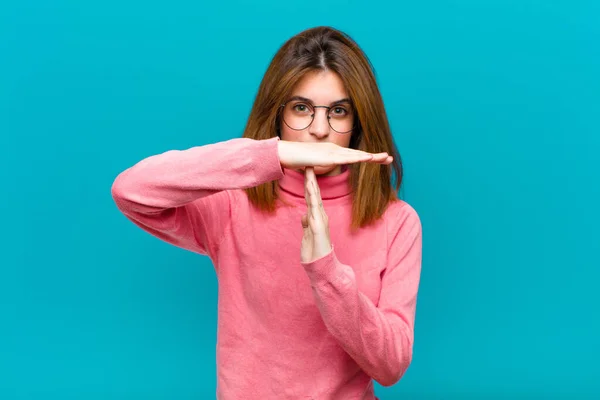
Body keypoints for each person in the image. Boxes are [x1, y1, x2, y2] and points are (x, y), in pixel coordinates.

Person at [111, 26, 422, 400]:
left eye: (338, 111)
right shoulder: (232, 204)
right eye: (302, 108)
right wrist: (271, 155)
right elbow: (132, 190)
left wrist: (326, 272)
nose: (320, 130)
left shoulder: (398, 222)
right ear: (277, 113)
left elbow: (391, 366)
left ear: (358, 122)